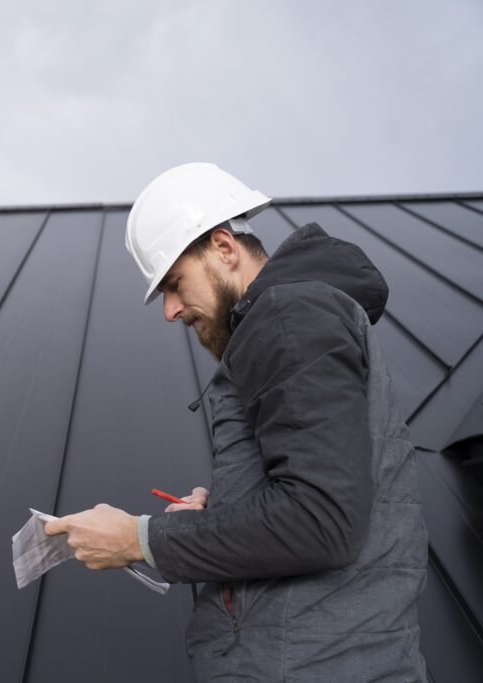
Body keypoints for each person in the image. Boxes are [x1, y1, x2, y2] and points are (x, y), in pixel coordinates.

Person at [44, 162, 428, 681]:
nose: (171, 311)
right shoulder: (292, 321)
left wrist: (139, 539)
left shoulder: (290, 317)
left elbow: (322, 521)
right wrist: (223, 509)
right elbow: (316, 497)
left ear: (225, 248)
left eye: (176, 284)